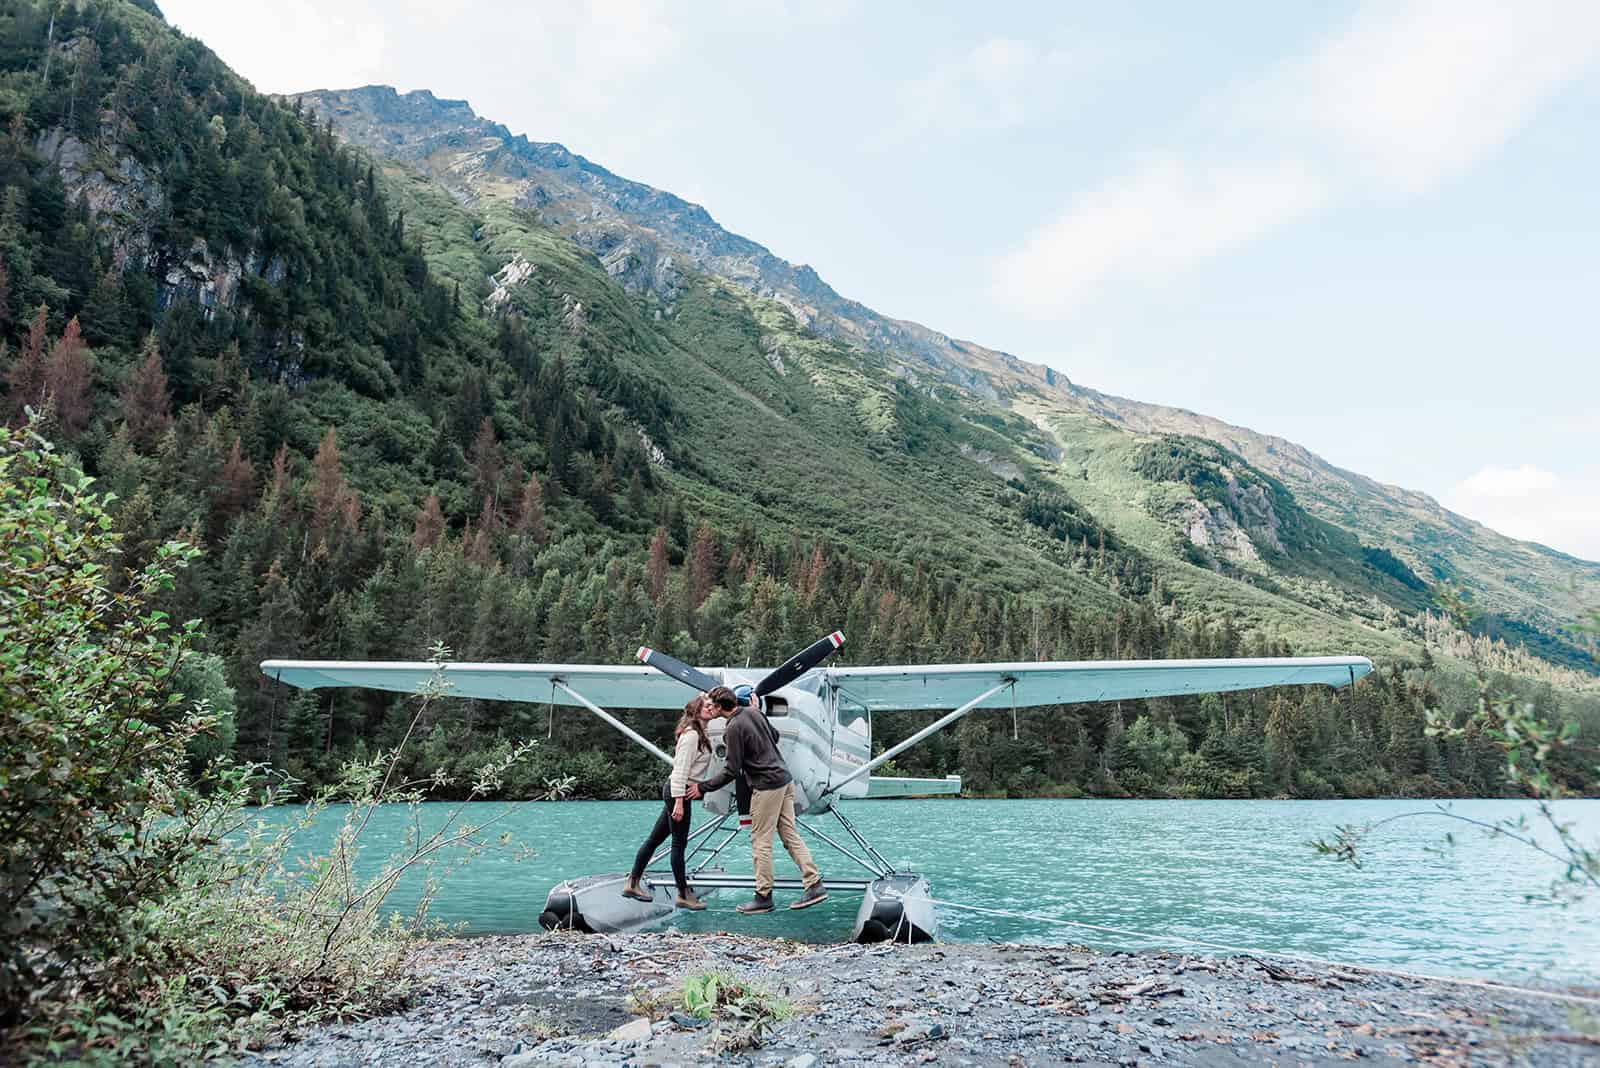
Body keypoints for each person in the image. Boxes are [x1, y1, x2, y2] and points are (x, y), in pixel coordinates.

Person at [690, 685, 826, 914]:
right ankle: (814, 884)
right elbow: (774, 736)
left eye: (712, 705)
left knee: (760, 841)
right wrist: (759, 713)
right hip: (785, 780)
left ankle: (763, 896)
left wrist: (703, 787)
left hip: (767, 787)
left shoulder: (732, 728)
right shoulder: (753, 713)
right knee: (790, 835)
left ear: (721, 707)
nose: (709, 709)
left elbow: (731, 770)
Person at [621, 695, 715, 910]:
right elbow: (680, 771)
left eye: (712, 705)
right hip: (677, 792)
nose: (711, 708)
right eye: (706, 705)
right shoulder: (691, 736)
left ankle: (632, 882)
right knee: (678, 845)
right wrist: (679, 803)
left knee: (654, 839)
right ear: (695, 711)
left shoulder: (702, 733)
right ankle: (683, 894)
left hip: (677, 792)